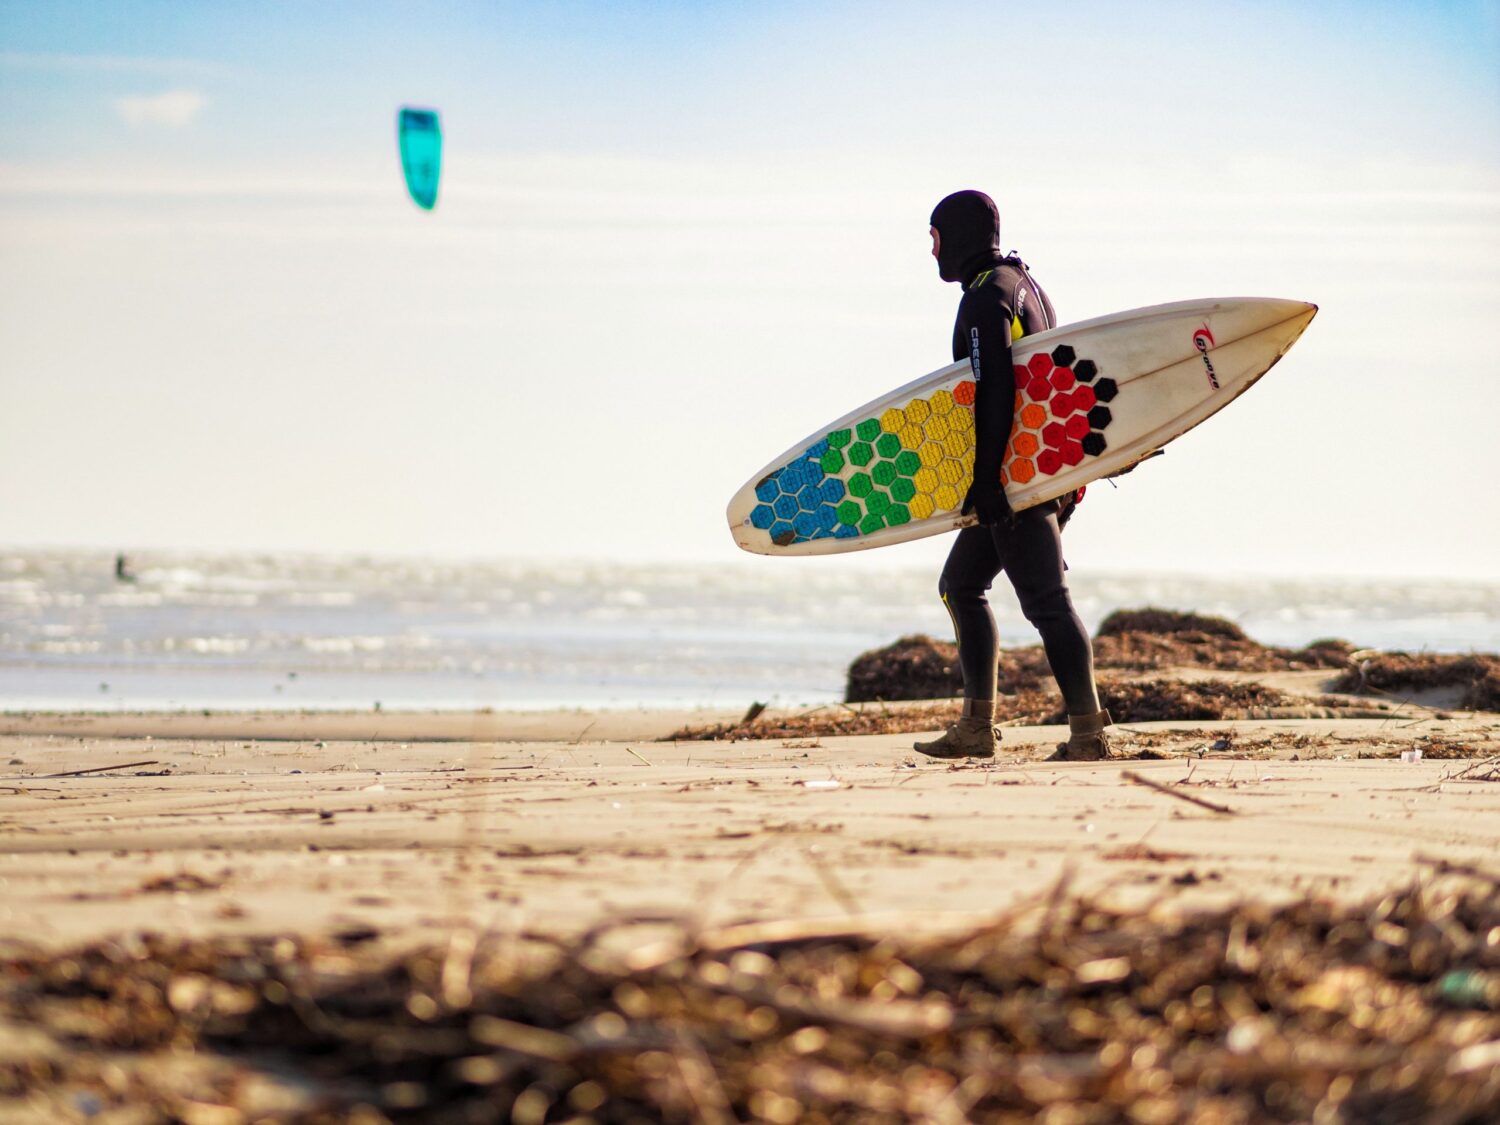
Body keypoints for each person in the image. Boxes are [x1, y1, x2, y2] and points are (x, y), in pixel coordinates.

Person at [914, 190, 1112, 762]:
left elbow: (994, 389)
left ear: (959, 234)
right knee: (961, 585)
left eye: (935, 236)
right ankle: (977, 729)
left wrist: (986, 482)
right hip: (1043, 467)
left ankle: (1088, 734)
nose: (931, 251)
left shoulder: (985, 298)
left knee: (1046, 601)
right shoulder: (1024, 285)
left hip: (1013, 477)